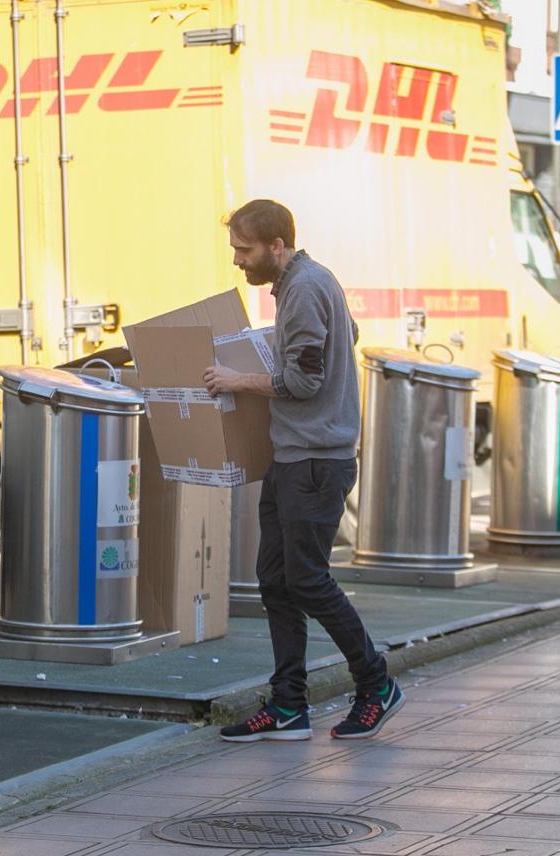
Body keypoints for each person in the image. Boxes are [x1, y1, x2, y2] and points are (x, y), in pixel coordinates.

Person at [202, 199, 404, 742]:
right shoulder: (302, 286)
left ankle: (376, 683)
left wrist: (236, 379)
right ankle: (289, 706)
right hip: (293, 454)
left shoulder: (306, 287)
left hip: (317, 459)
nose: (238, 262)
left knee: (309, 580)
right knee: (277, 581)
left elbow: (306, 382)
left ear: (276, 245)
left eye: (244, 251)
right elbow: (349, 334)